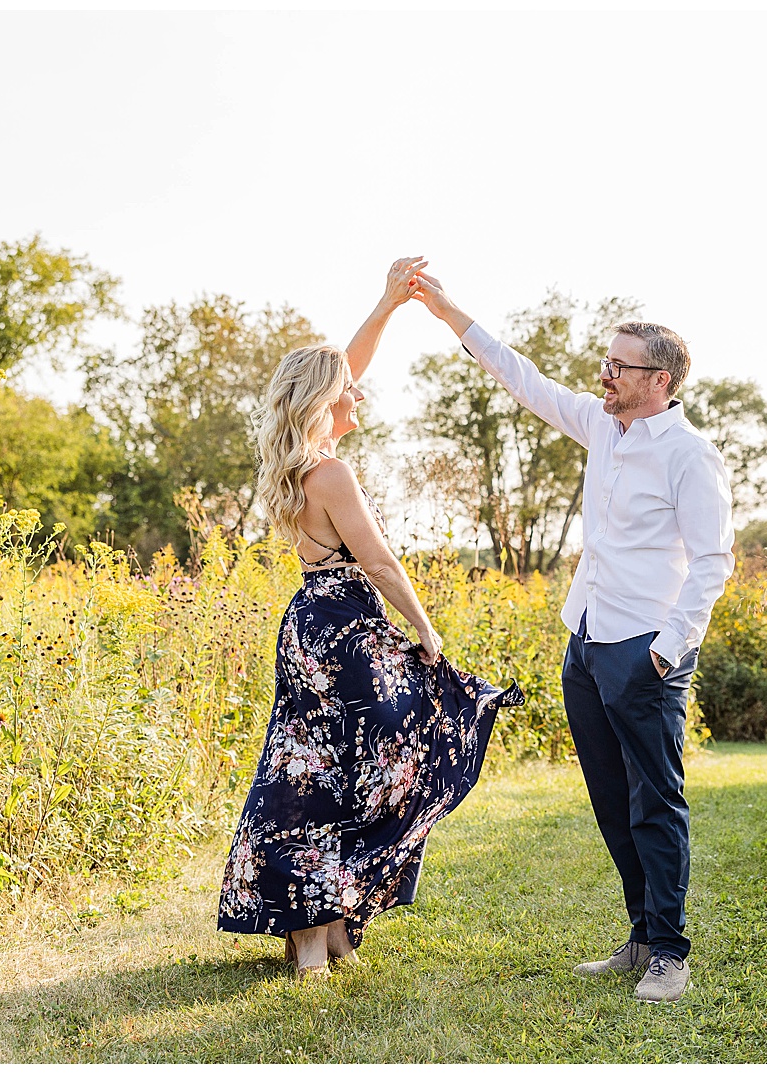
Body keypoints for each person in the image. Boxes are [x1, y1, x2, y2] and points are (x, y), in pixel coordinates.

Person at [413, 271, 734, 1003]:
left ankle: (671, 953)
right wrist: (446, 311)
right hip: (586, 642)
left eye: (619, 366)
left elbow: (713, 563)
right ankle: (641, 936)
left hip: (646, 649)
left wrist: (666, 649)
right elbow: (523, 379)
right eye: (606, 362)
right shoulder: (600, 424)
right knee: (611, 801)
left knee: (655, 801)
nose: (604, 374)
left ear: (662, 379)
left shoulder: (689, 454)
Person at [217, 257, 523, 979]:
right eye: (349, 392)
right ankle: (324, 929)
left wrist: (387, 306)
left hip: (307, 625)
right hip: (349, 627)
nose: (361, 392)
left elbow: (335, 369)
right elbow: (381, 563)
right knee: (393, 750)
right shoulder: (332, 473)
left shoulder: (291, 463)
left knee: (312, 766)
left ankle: (320, 933)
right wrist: (426, 628)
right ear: (327, 403)